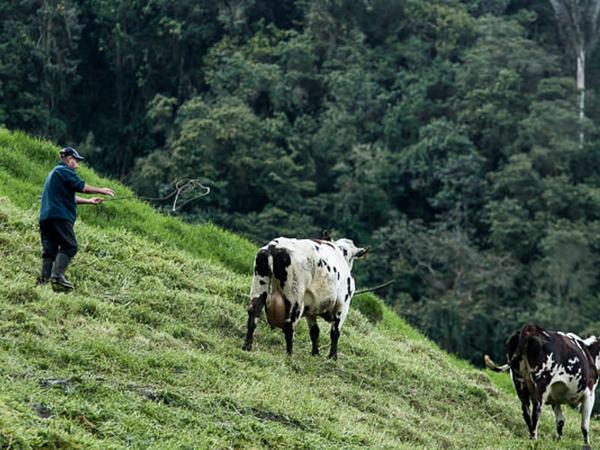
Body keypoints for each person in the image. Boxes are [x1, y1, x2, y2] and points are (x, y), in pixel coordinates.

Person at [38, 147, 114, 290]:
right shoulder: (64, 170)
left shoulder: (54, 173)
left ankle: (44, 280)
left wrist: (89, 201)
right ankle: (57, 275)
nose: (77, 165)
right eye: (75, 161)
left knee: (50, 250)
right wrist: (102, 190)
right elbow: (83, 187)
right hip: (60, 216)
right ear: (67, 159)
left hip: (46, 217)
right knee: (70, 246)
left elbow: (69, 196)